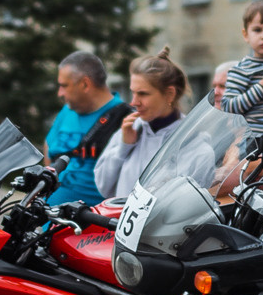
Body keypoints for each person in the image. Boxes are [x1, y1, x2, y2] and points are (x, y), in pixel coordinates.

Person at [93, 49, 191, 202]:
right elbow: (103, 186)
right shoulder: (130, 130)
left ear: (169, 94)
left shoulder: (191, 139)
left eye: (143, 94)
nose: (134, 102)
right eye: (133, 93)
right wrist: (124, 147)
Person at [45, 50, 126, 210]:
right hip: (50, 216)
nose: (59, 93)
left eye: (64, 86)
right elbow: (49, 146)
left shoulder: (123, 118)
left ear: (85, 84)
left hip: (88, 225)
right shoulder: (68, 110)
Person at [216, 0, 263, 135]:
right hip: (251, 139)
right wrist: (261, 88)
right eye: (257, 30)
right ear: (246, 35)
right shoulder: (241, 70)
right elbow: (228, 106)